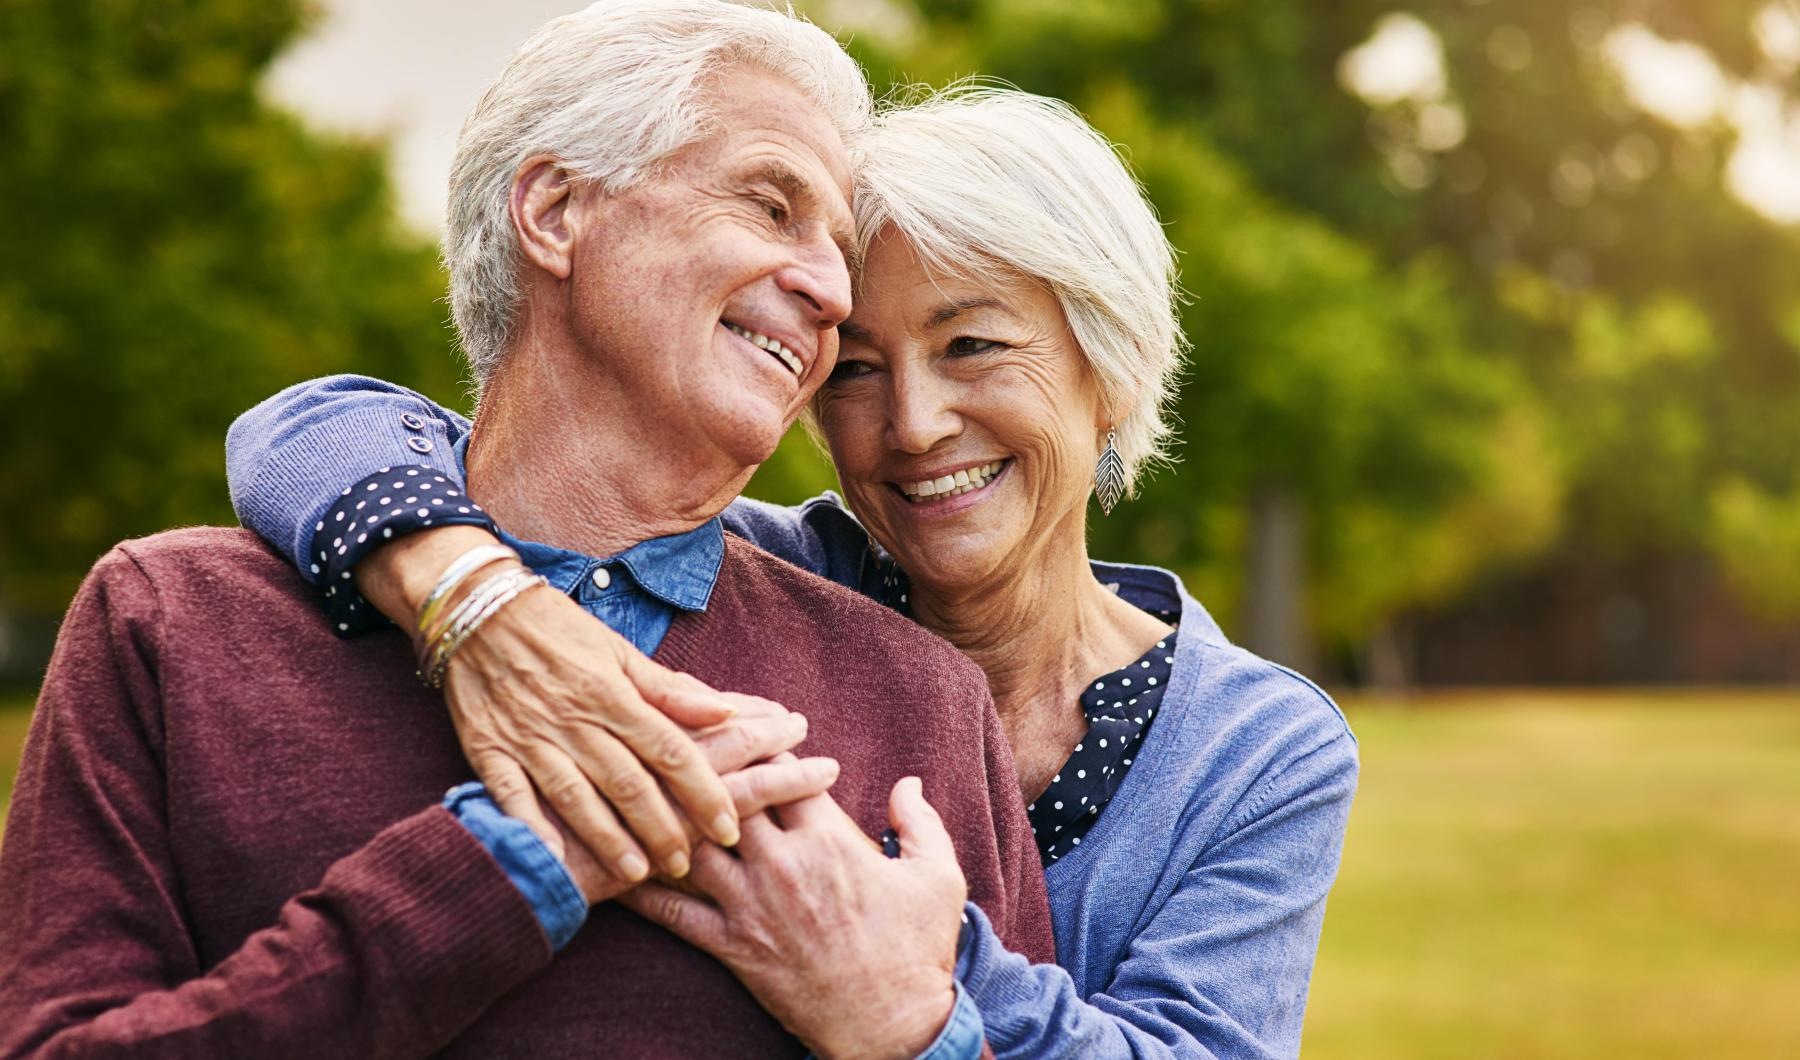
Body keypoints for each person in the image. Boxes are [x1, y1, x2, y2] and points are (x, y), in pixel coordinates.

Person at [0, 4, 1056, 1057]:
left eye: (840, 253)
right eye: (772, 206)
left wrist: (920, 1035)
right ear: (555, 210)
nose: (831, 292)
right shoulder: (172, 622)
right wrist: (506, 866)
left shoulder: (918, 699)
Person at [226, 86, 1360, 1057]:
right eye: (855, 371)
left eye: (971, 346)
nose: (912, 425)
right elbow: (308, 427)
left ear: (1107, 368)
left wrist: (916, 984)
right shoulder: (754, 572)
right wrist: (479, 604)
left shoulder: (1256, 749)